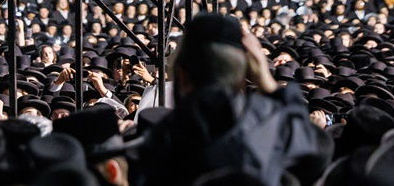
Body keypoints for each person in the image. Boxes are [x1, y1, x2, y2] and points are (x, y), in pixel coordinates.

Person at [137, 13, 327, 185]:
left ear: (182, 74)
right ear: (244, 73)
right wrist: (266, 79)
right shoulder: (265, 124)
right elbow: (314, 153)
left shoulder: (161, 137)